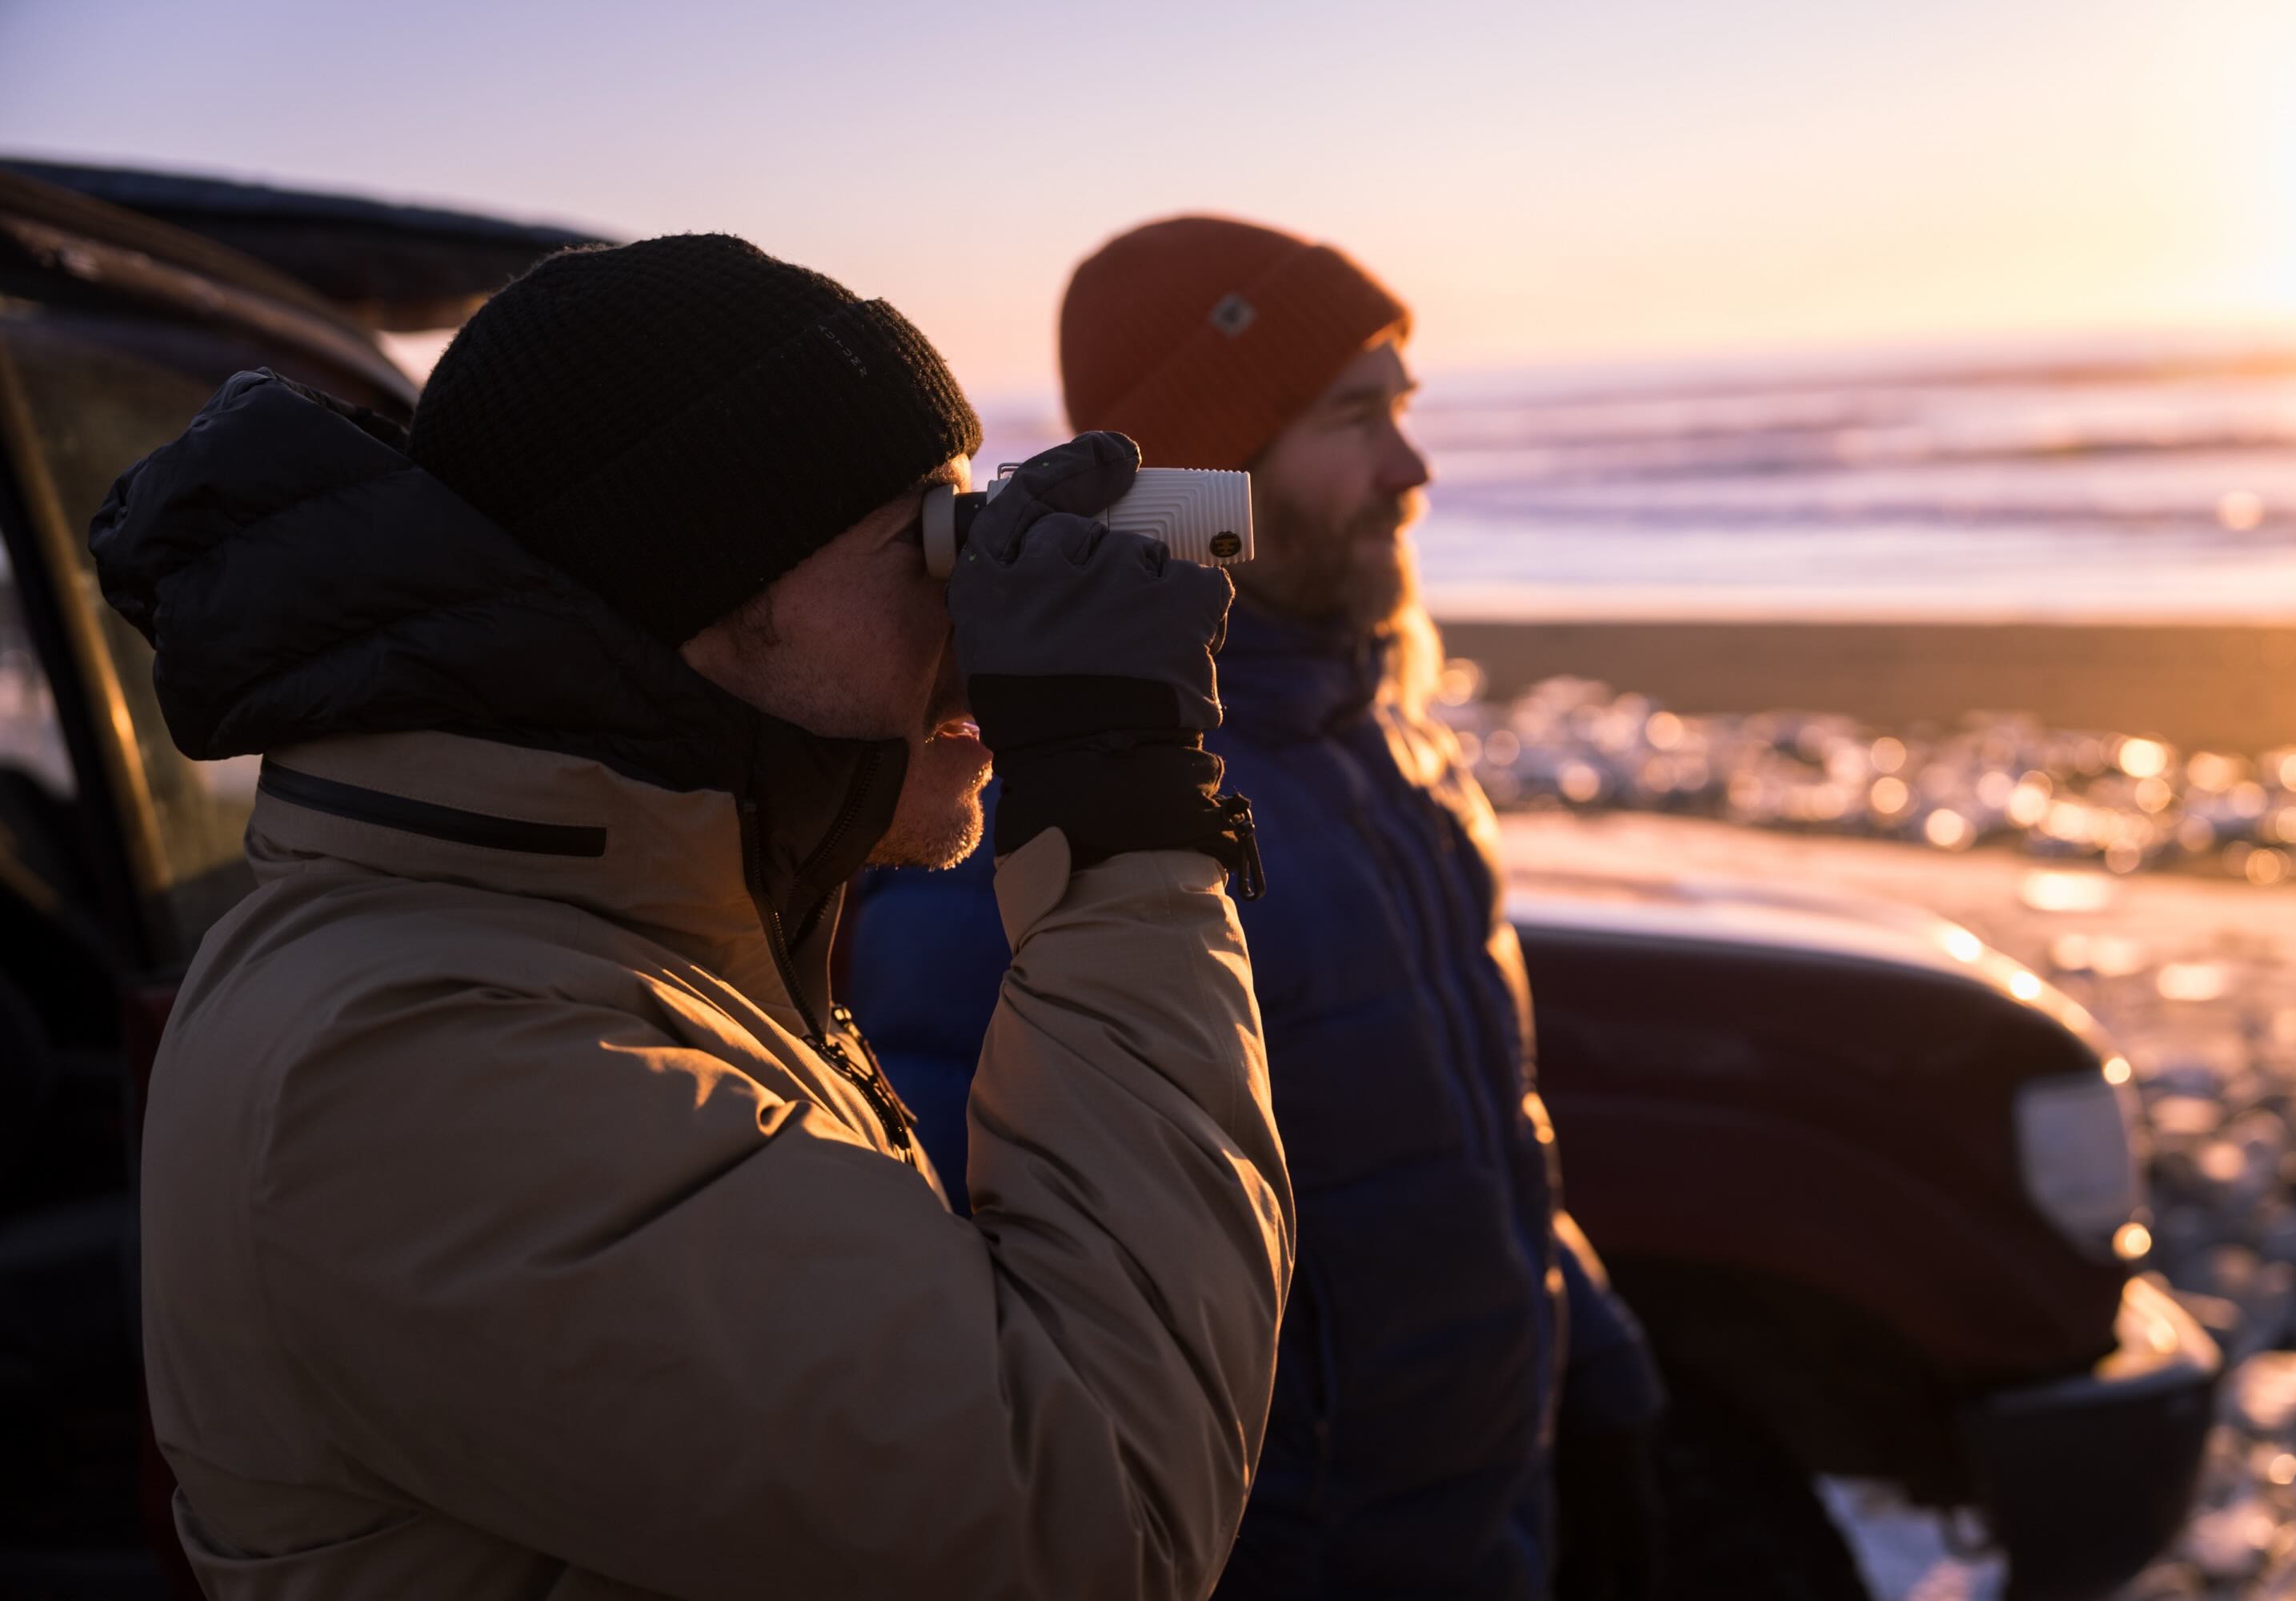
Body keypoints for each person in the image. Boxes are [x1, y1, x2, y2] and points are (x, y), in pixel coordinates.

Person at [99, 233, 1292, 1599]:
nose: (985, 624)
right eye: (931, 548)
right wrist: (1121, 795)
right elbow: (1103, 1514)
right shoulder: (409, 1067)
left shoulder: (624, 940)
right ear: (694, 602)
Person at [845, 215, 1666, 1598]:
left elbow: (1471, 1121)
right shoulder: (1074, 807)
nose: (1414, 467)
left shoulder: (1390, 746)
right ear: (1201, 474)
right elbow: (985, 1298)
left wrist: (1596, 1366)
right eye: (1355, 418)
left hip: (1484, 1533)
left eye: (1402, 410)